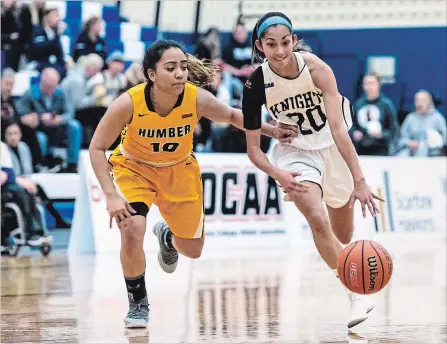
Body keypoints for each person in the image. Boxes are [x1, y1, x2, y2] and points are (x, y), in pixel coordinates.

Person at [88, 39, 299, 328]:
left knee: (193, 249)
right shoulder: (129, 102)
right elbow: (97, 147)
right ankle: (138, 302)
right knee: (132, 228)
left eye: (184, 68)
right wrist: (111, 195)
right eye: (171, 68)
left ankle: (167, 237)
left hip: (179, 171)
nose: (180, 74)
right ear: (151, 74)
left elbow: (233, 116)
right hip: (134, 170)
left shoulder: (195, 98)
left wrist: (273, 131)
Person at [241, 12, 384, 329]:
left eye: (284, 42)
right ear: (259, 45)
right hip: (295, 153)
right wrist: (279, 173)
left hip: (332, 148)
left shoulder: (318, 70)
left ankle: (347, 262)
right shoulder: (255, 84)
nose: (279, 51)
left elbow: (337, 128)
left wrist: (360, 181)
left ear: (293, 40)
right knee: (315, 218)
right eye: (270, 44)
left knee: (342, 234)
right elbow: (253, 149)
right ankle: (355, 291)